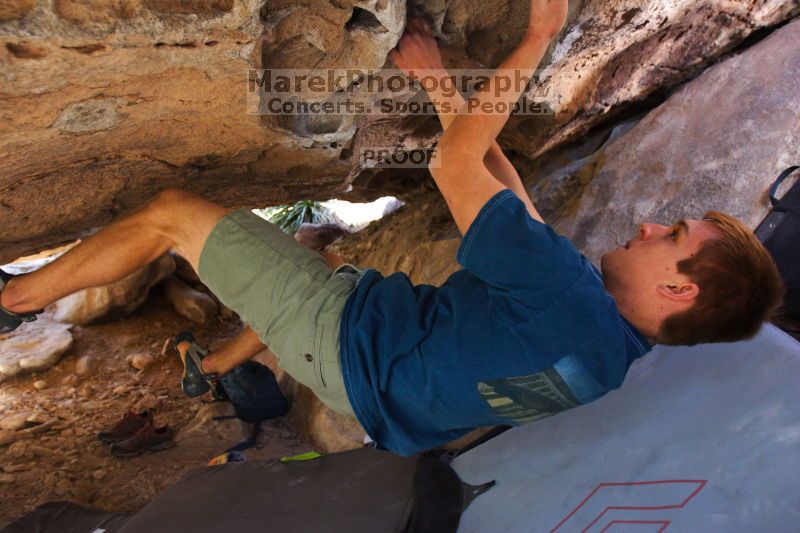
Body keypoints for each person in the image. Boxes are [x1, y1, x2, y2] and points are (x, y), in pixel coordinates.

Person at [0, 0, 784, 456]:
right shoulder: (605, 351)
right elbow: (507, 197)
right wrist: (441, 87)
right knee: (279, 256)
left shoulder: (565, 295)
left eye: (672, 235)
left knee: (175, 212)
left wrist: (538, 36)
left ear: (678, 287)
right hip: (375, 387)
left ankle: (15, 300)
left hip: (346, 338)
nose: (649, 224)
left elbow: (455, 169)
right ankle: (202, 356)